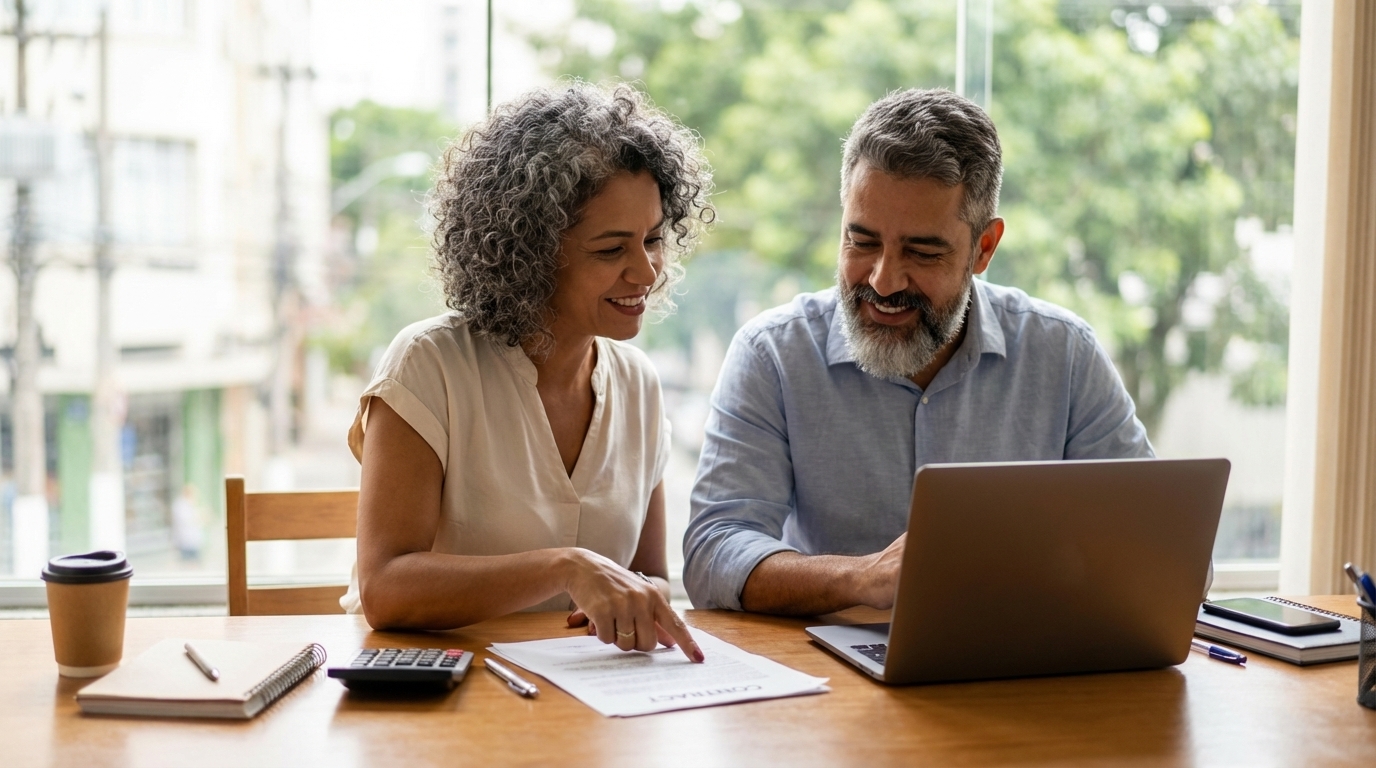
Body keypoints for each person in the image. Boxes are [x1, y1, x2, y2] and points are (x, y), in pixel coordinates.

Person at [683, 88, 1154, 616]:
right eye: (861, 242)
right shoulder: (772, 354)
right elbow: (714, 549)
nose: (883, 281)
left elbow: (1161, 551)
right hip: (832, 681)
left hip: (1018, 672)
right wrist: (861, 578)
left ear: (984, 249)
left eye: (922, 251)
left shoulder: (1064, 354)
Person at [345, 82, 711, 662]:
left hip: (588, 707)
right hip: (447, 702)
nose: (646, 272)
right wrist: (566, 568)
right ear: (531, 252)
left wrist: (638, 598)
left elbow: (650, 576)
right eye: (611, 250)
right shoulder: (429, 366)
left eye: (653, 239)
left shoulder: (639, 384)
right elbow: (385, 591)